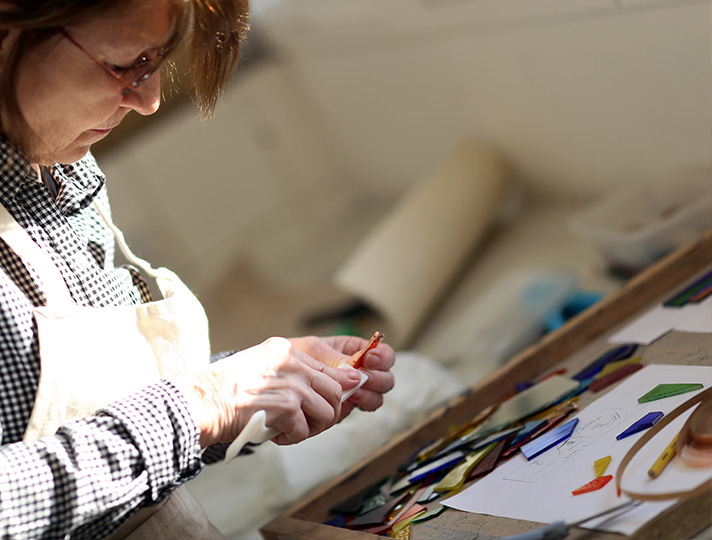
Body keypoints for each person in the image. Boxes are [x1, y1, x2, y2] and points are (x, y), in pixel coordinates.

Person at [0, 1, 396, 539]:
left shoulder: (53, 165)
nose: (149, 98)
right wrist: (204, 404)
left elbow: (89, 417)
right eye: (127, 64)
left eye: (155, 61)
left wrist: (258, 391)